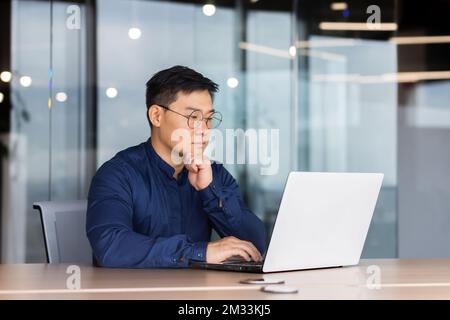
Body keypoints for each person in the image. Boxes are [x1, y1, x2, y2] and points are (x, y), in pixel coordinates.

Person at [86, 65, 266, 268]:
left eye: (208, 119)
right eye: (193, 118)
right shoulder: (118, 174)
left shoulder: (213, 175)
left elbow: (256, 247)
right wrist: (200, 252)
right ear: (156, 116)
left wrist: (209, 191)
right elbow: (110, 246)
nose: (204, 130)